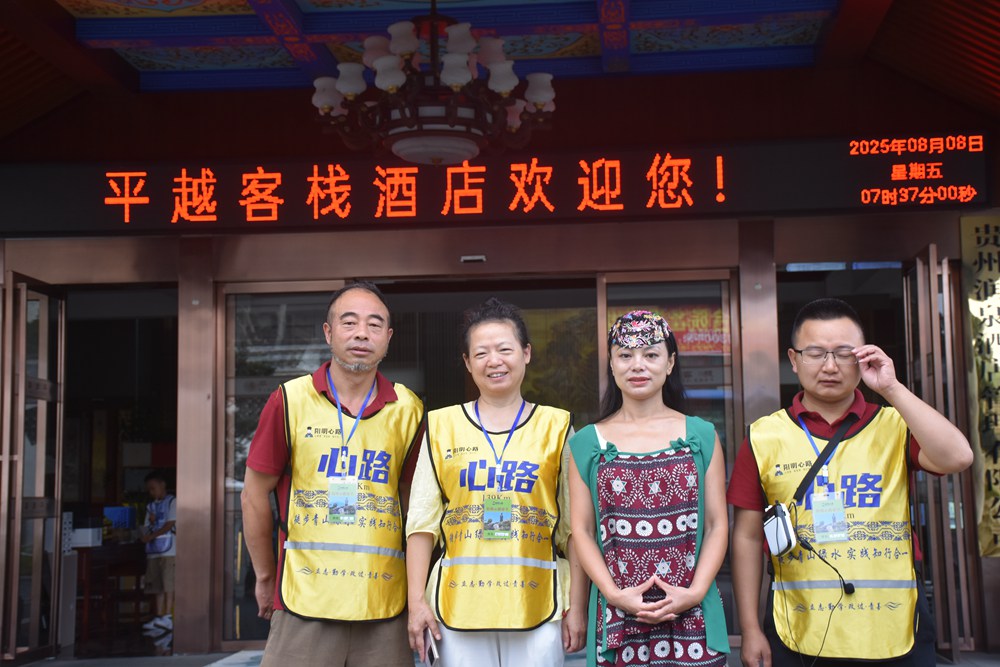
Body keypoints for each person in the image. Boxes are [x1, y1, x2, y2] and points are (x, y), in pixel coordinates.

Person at [728, 298, 974, 667]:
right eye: (815, 353)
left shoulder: (896, 424)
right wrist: (749, 629)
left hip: (892, 628)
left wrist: (891, 388)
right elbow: (746, 537)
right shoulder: (764, 436)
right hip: (799, 628)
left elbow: (958, 457)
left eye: (844, 354)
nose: (830, 366)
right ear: (793, 359)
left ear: (864, 357)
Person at [241, 282, 424, 667]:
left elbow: (416, 506)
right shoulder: (290, 400)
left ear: (388, 338)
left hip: (383, 603)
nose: (362, 333)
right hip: (304, 600)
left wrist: (418, 595)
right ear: (328, 332)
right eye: (349, 322)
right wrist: (265, 576)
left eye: (375, 324)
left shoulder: (409, 409)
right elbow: (254, 493)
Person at [406, 297, 588, 667]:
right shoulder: (441, 426)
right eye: (481, 353)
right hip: (457, 604)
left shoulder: (557, 427)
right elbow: (422, 524)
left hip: (537, 602)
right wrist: (416, 604)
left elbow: (574, 529)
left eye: (505, 349)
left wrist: (578, 606)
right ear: (467, 362)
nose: (494, 361)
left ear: (526, 353)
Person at [568, 310, 730, 667]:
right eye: (625, 355)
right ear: (611, 365)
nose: (637, 365)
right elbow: (581, 530)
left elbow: (717, 524)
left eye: (651, 354)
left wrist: (694, 593)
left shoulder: (701, 435)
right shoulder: (586, 443)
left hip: (692, 613)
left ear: (670, 363)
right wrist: (614, 595)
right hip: (618, 615)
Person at [141, 469, 176, 634]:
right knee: (157, 584)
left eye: (153, 488)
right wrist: (146, 533)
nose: (151, 492)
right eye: (149, 489)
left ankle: (168, 616)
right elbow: (146, 525)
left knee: (169, 583)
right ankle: (159, 615)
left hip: (170, 550)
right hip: (154, 551)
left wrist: (152, 535)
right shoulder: (150, 507)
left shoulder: (172, 502)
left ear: (163, 485)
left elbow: (170, 524)